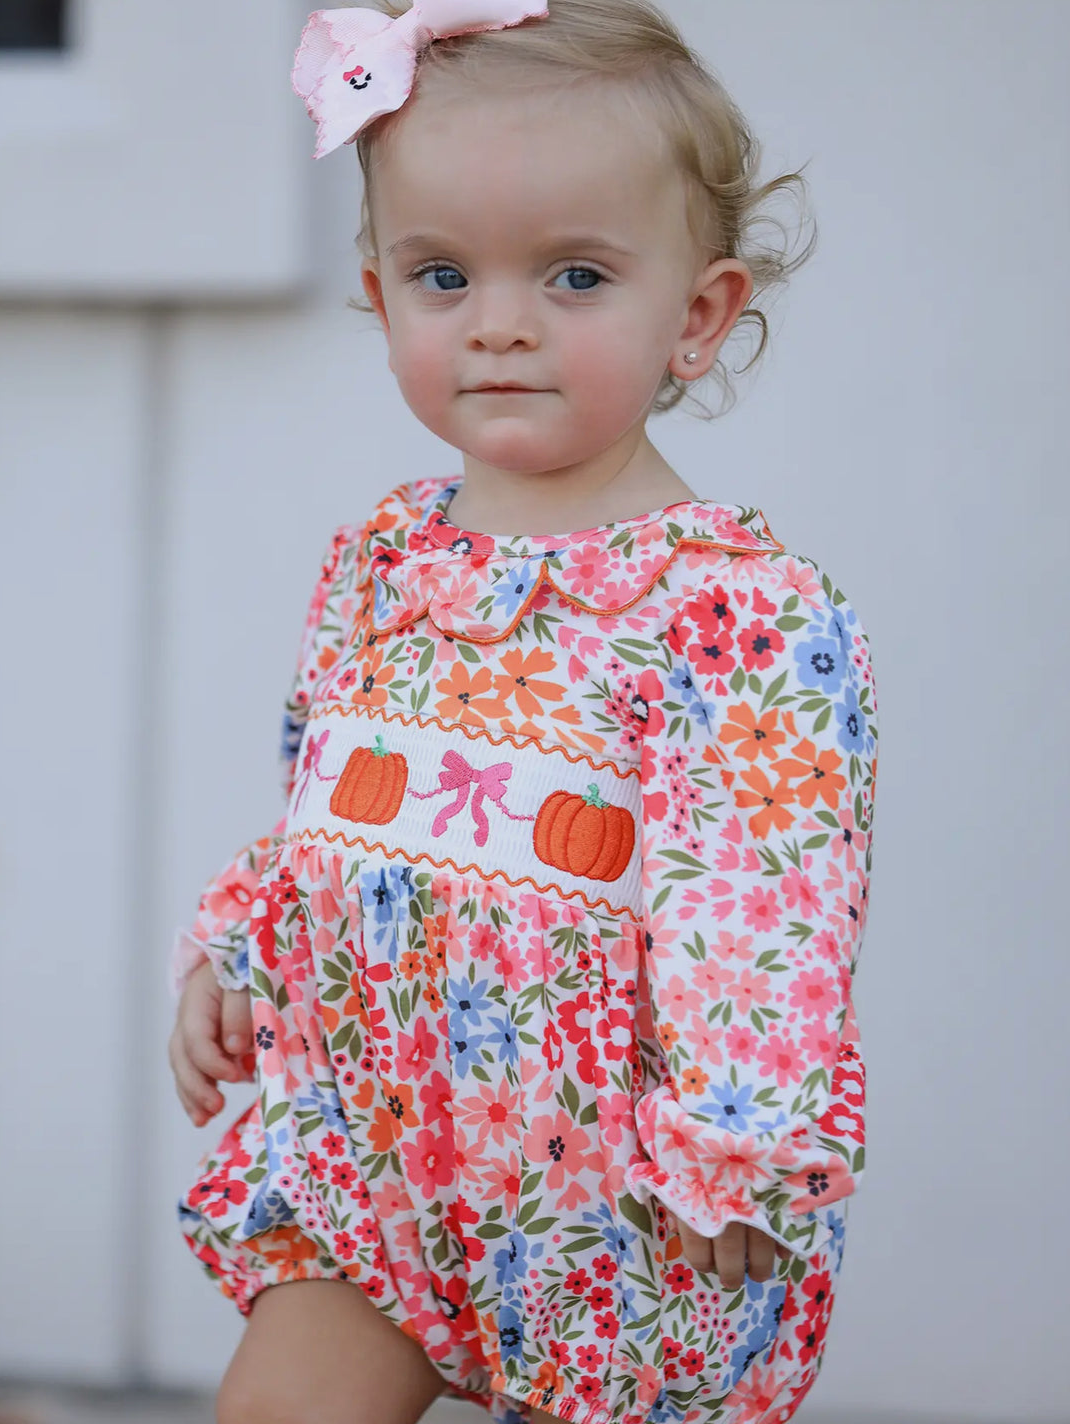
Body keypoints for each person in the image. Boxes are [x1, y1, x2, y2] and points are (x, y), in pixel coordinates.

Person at [166, 3, 878, 1422]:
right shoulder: (384, 561)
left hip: (616, 1194)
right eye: (443, 274)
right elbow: (325, 793)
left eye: (572, 275)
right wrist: (244, 942)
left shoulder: (734, 607)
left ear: (699, 312)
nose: (498, 322)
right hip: (375, 1147)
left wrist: (733, 1142)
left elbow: (770, 896)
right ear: (379, 295)